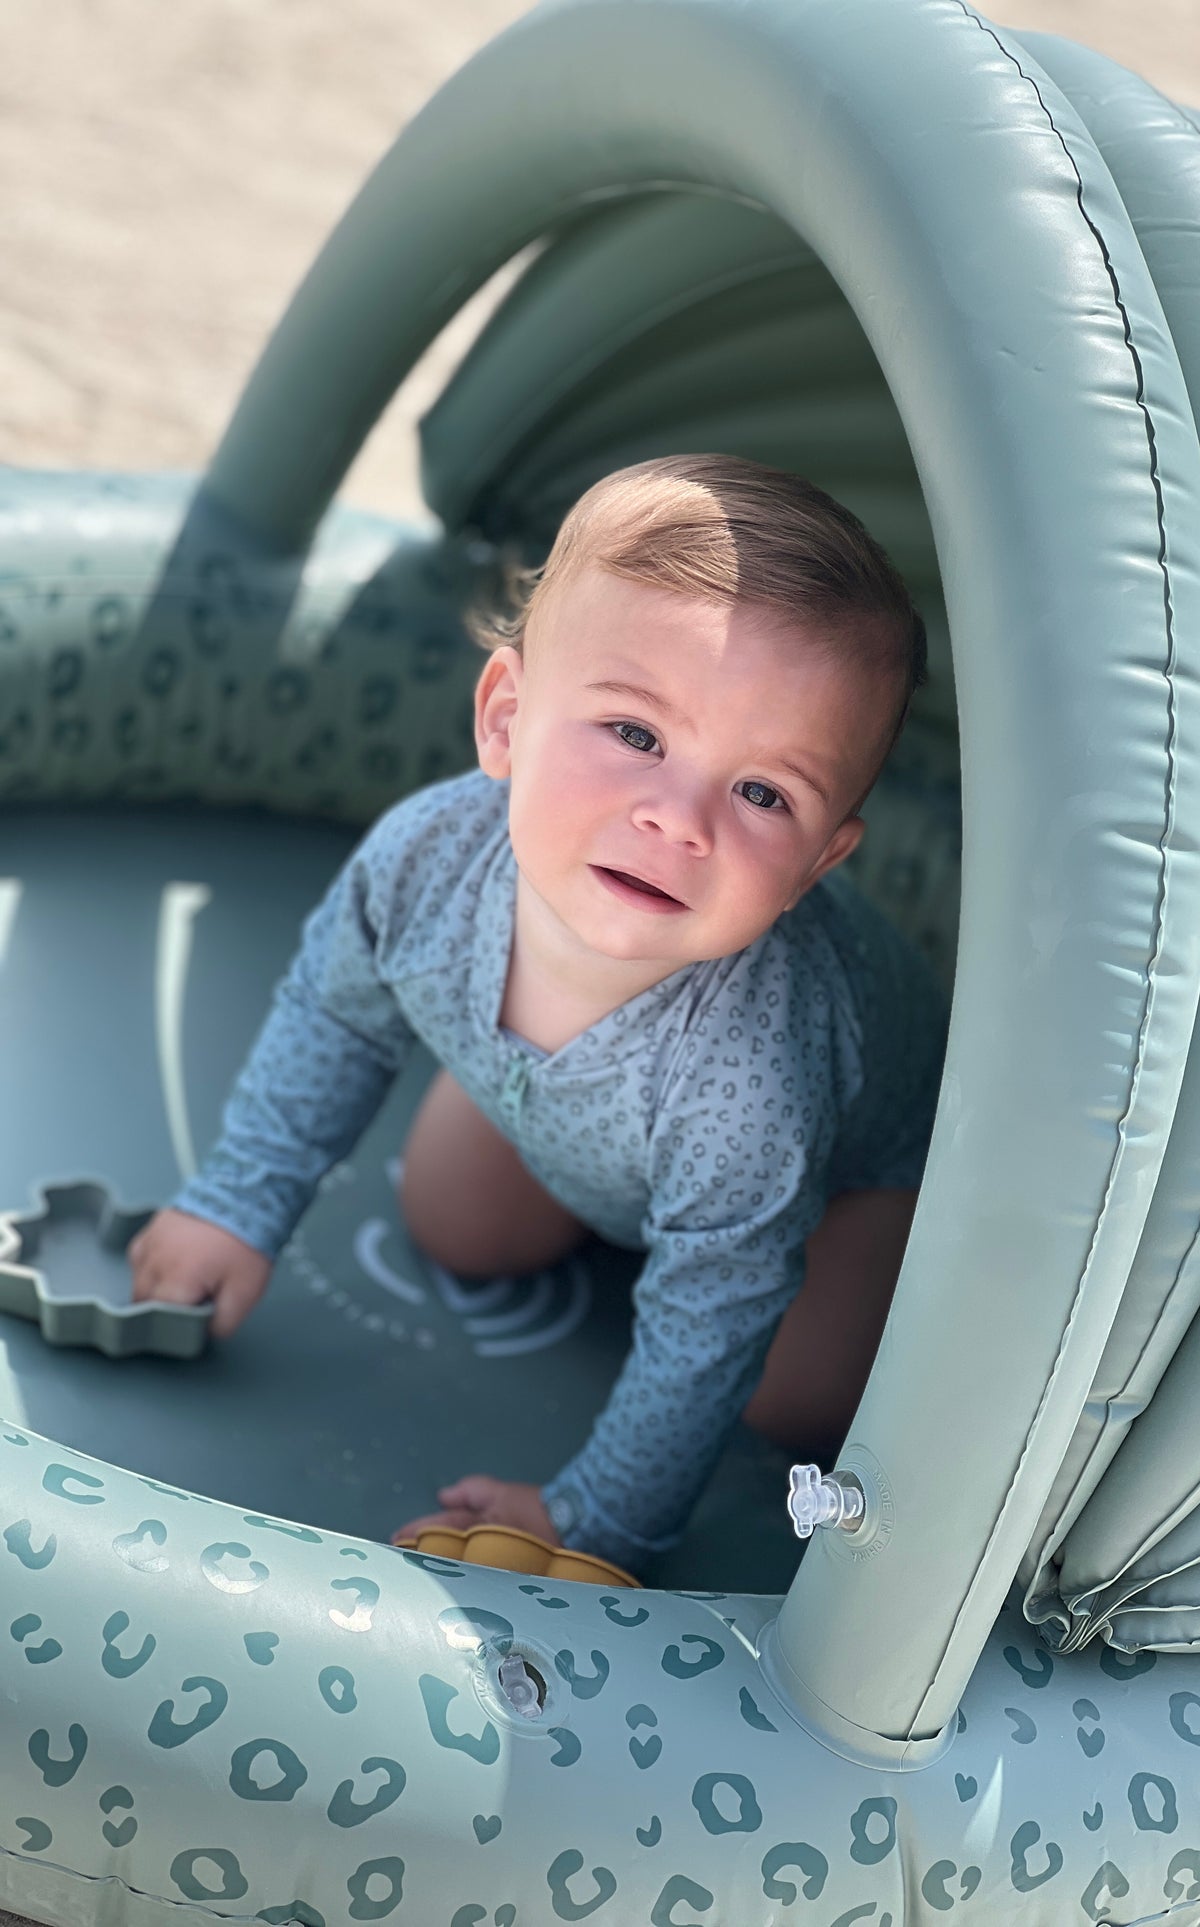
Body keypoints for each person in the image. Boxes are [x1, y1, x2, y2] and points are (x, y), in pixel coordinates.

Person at [127, 453, 948, 1569]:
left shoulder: (749, 1081)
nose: (679, 819)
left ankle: (774, 1244)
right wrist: (236, 1200)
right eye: (636, 734)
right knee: (454, 1224)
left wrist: (597, 1519)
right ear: (505, 719)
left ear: (815, 862)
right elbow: (337, 1013)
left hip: (856, 1177)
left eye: (762, 794)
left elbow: (713, 1319)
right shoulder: (425, 862)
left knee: (788, 1395)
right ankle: (593, 1154)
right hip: (604, 1125)